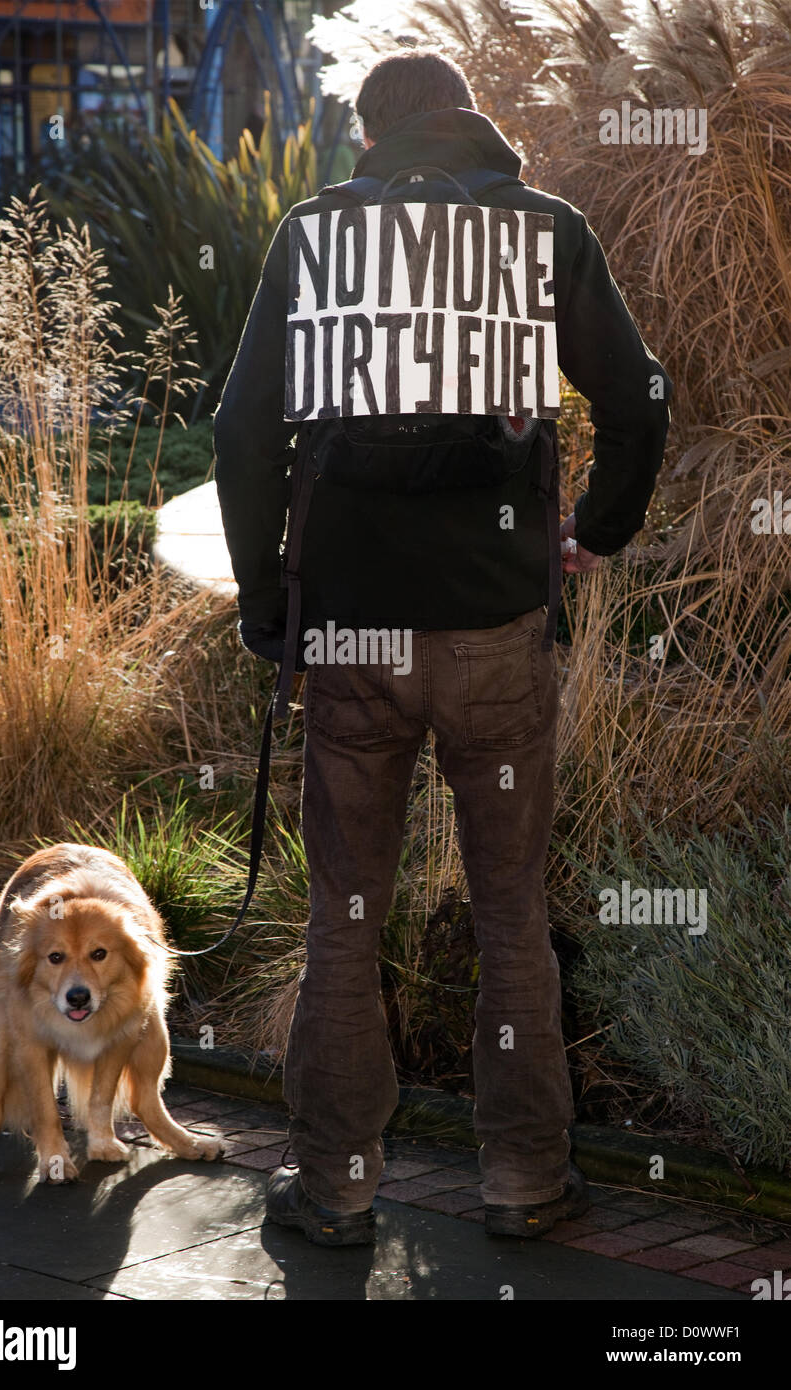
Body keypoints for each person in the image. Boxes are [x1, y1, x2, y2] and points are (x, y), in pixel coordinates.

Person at [213, 48, 672, 1247]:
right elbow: (638, 403)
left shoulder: (314, 234)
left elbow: (241, 432)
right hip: (497, 635)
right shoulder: (543, 232)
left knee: (342, 920)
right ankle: (524, 1181)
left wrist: (272, 611)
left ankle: (335, 1190)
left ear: (367, 138)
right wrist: (592, 533)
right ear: (469, 121)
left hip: (352, 638)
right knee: (511, 914)